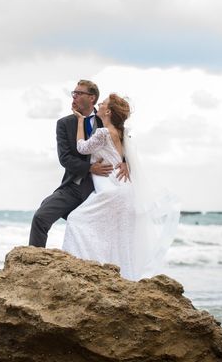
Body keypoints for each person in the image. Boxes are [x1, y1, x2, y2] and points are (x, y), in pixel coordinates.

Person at [62, 93, 178, 280]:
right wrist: (124, 162)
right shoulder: (120, 132)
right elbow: (126, 155)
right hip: (125, 190)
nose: (99, 104)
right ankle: (123, 278)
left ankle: (86, 271)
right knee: (120, 241)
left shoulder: (103, 132)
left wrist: (81, 121)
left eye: (103, 103)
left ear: (107, 111)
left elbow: (82, 148)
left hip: (113, 190)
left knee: (77, 220)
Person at [28, 80, 128, 247]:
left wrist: (125, 162)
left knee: (99, 232)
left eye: (79, 93)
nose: (74, 97)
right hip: (74, 186)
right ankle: (34, 265)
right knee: (41, 217)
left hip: (102, 189)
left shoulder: (107, 119)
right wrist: (90, 168)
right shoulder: (64, 123)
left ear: (92, 98)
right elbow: (65, 158)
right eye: (73, 93)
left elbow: (123, 141)